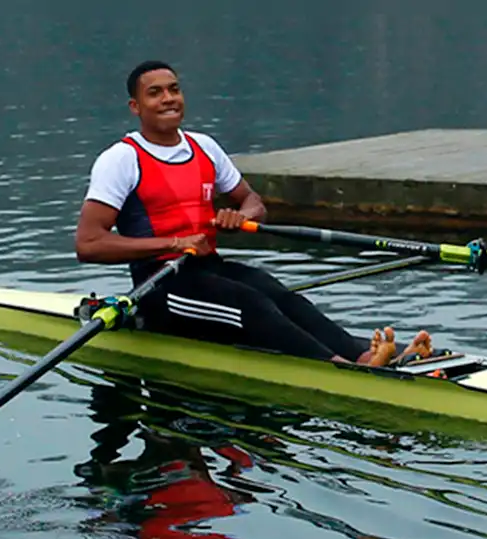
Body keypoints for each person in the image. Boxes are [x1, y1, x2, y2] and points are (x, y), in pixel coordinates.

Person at [74, 60, 434, 367]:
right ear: (135, 106)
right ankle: (340, 371)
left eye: (174, 89)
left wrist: (239, 215)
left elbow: (254, 202)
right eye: (155, 93)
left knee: (276, 292)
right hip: (160, 285)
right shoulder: (121, 159)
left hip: (208, 268)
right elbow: (89, 244)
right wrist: (175, 241)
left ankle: (360, 356)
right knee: (251, 303)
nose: (168, 98)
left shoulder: (204, 146)